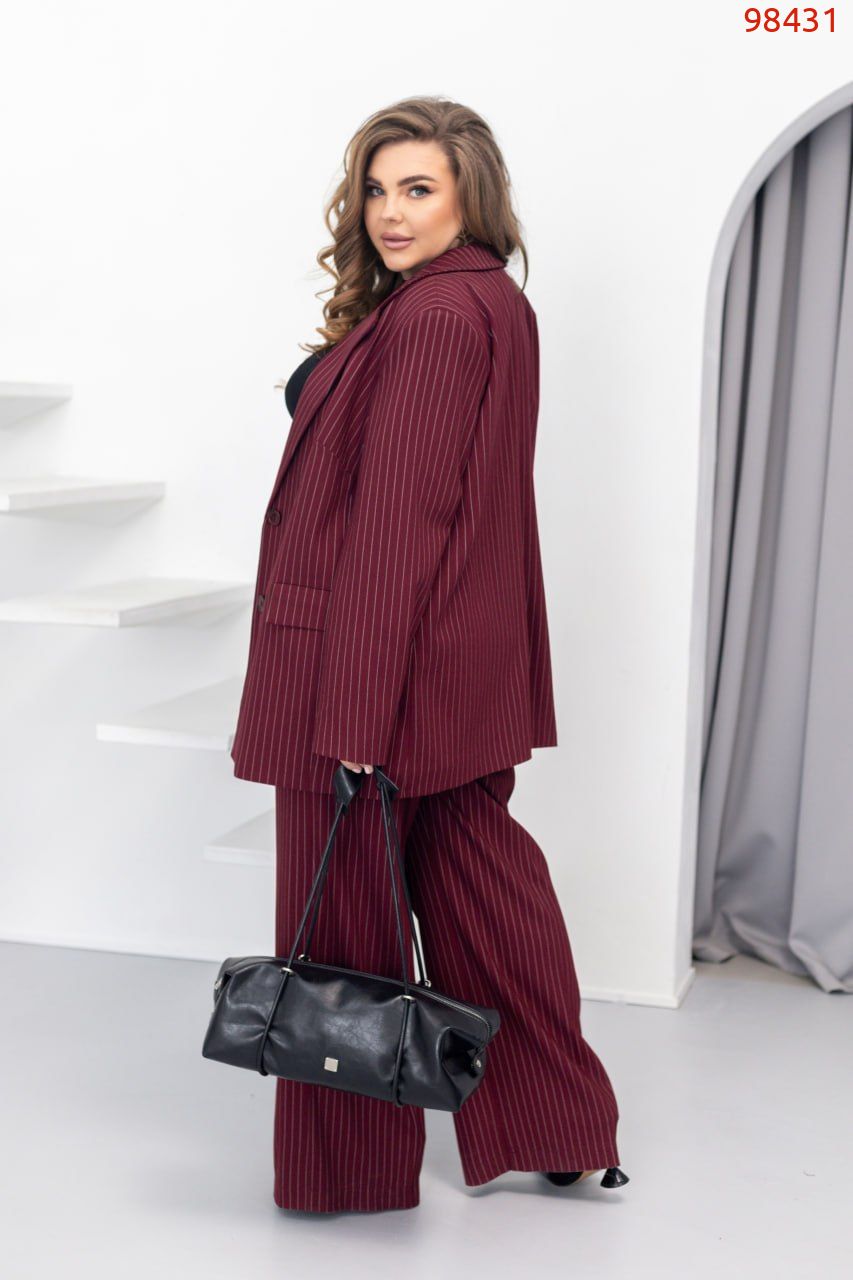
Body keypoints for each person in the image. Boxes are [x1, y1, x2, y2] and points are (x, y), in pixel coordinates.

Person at [230, 95, 629, 1213]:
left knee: (346, 928)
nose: (390, 212)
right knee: (485, 897)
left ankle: (346, 1174)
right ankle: (558, 1125)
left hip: (366, 673)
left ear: (469, 197)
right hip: (453, 669)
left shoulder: (439, 316)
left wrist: (356, 710)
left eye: (418, 189)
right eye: (377, 189)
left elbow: (401, 522)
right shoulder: (487, 299)